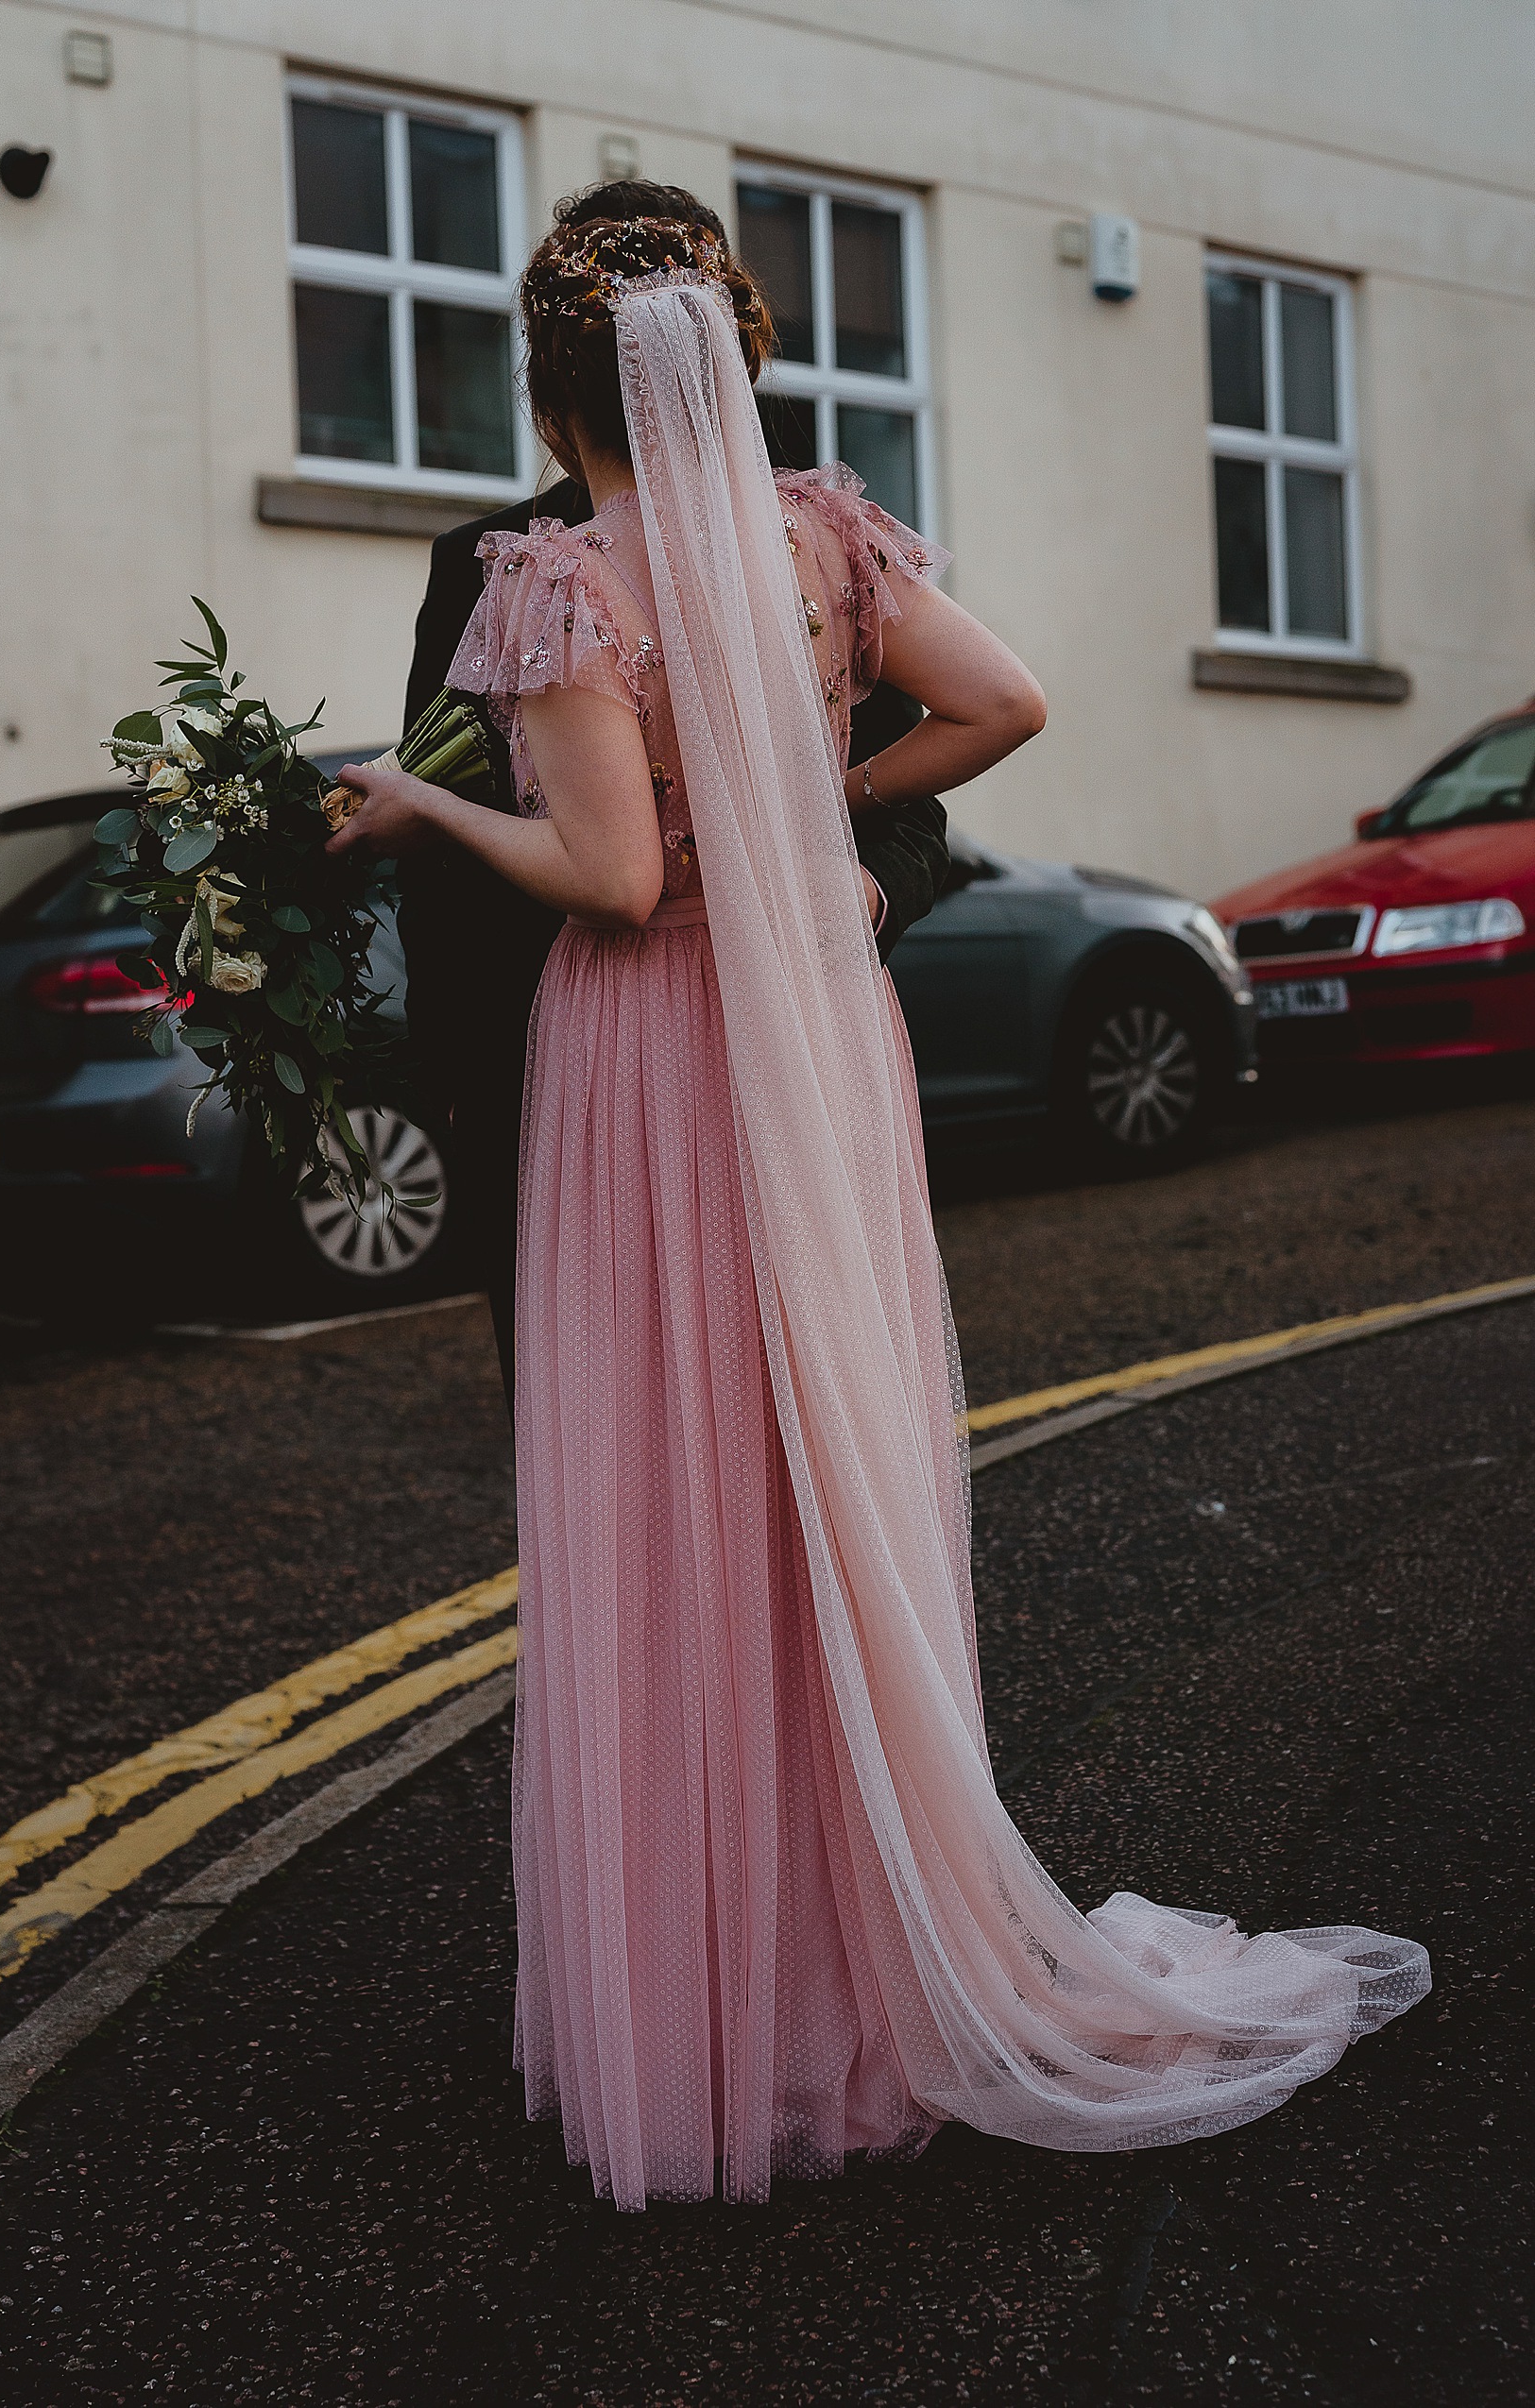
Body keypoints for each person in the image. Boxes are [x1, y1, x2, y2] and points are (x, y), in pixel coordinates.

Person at [329, 207, 1428, 2213]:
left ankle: (723, 2005)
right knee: (819, 1466)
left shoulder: (561, 579)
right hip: (819, 1038)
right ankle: (858, 1958)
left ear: (546, 387)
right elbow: (1003, 701)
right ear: (722, 368)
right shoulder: (819, 539)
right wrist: (807, 812)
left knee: (673, 1492)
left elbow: (596, 878)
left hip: (657, 1051)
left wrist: (414, 801)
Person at [398, 181, 951, 1405]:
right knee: (601, 1428)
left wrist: (846, 871)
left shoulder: (798, 550)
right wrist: (453, 1068)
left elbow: (906, 810)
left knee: (793, 1403)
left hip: (786, 1052)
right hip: (557, 1082)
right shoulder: (485, 568)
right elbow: (440, 794)